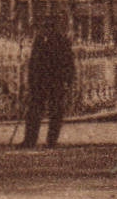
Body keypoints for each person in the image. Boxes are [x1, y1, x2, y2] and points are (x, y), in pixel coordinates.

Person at [20, 15, 76, 148]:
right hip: (38, 83)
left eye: (48, 27)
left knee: (55, 112)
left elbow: (68, 63)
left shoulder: (62, 41)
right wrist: (30, 81)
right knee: (33, 112)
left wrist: (68, 81)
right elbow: (33, 64)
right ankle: (29, 140)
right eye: (43, 27)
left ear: (53, 28)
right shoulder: (38, 41)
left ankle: (51, 141)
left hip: (55, 82)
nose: (45, 30)